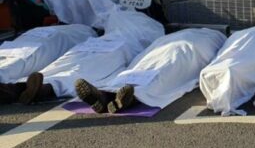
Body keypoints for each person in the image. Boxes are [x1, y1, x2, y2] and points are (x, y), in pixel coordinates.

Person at [9, 7, 165, 105]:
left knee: (75, 66)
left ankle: (35, 88)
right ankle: (20, 87)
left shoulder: (121, 15)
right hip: (109, 45)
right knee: (73, 65)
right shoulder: (147, 23)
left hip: (111, 45)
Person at [74, 28, 226, 113]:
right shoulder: (217, 39)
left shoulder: (214, 38)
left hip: (178, 50)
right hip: (174, 50)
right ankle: (109, 97)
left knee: (152, 70)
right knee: (153, 71)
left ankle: (112, 95)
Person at [0, 24, 96, 104]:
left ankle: (19, 88)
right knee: (16, 65)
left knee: (14, 65)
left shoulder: (82, 30)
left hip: (33, 41)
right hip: (43, 39)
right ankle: (19, 88)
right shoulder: (84, 30)